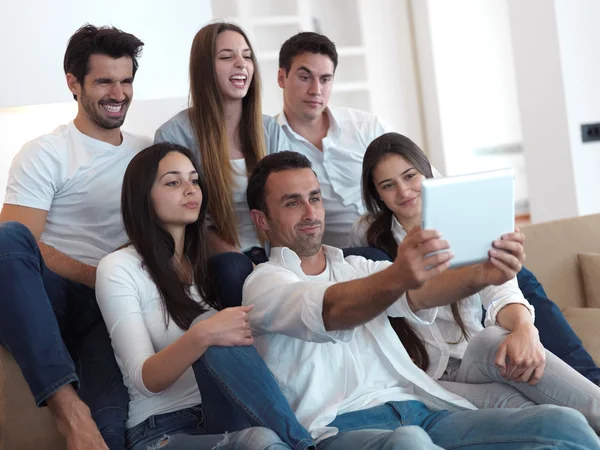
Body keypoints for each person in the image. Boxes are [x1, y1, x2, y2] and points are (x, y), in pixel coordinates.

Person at [275, 30, 600, 385]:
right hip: (362, 253)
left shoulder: (363, 126)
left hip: (409, 232)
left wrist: (472, 221)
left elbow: (422, 177)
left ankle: (583, 373)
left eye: (325, 79)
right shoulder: (270, 139)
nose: (315, 89)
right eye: (304, 77)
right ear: (283, 78)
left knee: (513, 273)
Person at [241, 151, 600, 450]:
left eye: (314, 198)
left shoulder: (357, 266)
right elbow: (331, 308)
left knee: (562, 422)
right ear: (262, 220)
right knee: (409, 443)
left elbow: (418, 293)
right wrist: (399, 274)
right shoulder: (264, 284)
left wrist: (484, 273)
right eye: (293, 203)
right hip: (340, 428)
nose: (310, 213)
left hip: (423, 408)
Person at [349, 131, 600, 431]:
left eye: (410, 176)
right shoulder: (368, 238)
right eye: (388, 185)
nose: (403, 191)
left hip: (476, 358)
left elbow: (500, 285)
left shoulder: (462, 217)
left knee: (493, 338)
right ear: (377, 194)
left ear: (426, 171)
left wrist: (524, 328)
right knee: (538, 410)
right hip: (428, 380)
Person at [0, 25, 147, 449]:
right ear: (73, 83)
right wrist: (100, 277)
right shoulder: (46, 152)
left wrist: (120, 285)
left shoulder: (148, 152)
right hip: (58, 296)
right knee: (6, 239)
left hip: (118, 303)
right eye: (104, 81)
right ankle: (68, 408)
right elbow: (21, 248)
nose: (118, 93)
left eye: (126, 81)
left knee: (110, 431)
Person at [95, 143, 294, 450]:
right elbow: (144, 378)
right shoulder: (118, 268)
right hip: (162, 428)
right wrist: (204, 333)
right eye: (173, 182)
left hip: (227, 414)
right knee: (262, 442)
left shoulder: (207, 268)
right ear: (143, 197)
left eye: (194, 180)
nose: (190, 190)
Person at [155, 22, 289, 263]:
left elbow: (287, 202)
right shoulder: (174, 134)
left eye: (247, 56)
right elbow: (186, 219)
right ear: (204, 69)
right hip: (215, 260)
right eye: (227, 56)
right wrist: (241, 261)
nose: (241, 63)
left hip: (273, 254)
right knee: (232, 268)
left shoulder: (270, 129)